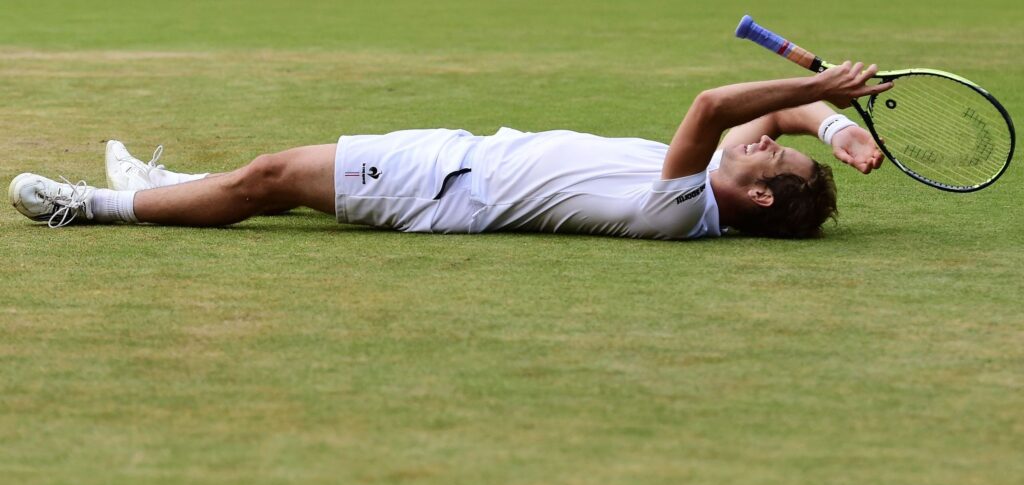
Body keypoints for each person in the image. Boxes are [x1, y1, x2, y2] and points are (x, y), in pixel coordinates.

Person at [9, 61, 890, 239]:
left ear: (760, 198)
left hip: (441, 190)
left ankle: (90, 205)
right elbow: (781, 119)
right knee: (268, 179)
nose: (756, 145)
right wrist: (839, 124)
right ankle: (167, 186)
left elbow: (717, 104)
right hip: (454, 157)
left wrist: (825, 100)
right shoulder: (722, 185)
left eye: (766, 162)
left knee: (268, 180)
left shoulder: (681, 206)